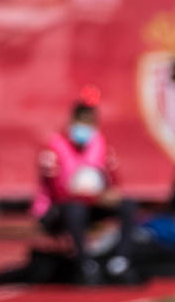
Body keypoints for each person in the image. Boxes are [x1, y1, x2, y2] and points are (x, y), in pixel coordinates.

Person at [29, 87, 138, 285]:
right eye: (81, 121)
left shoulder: (101, 145)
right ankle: (85, 264)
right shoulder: (54, 147)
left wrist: (110, 194)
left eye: (89, 122)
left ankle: (120, 261)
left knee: (128, 205)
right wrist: (96, 197)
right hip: (58, 210)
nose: (85, 128)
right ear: (73, 121)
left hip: (91, 204)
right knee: (75, 209)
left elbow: (114, 182)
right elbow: (59, 192)